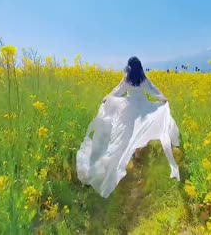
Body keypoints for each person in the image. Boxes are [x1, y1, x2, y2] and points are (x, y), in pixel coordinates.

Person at [76, 56, 181, 198]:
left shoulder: (127, 78)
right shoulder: (143, 78)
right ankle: (135, 157)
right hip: (142, 107)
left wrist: (108, 97)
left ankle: (125, 159)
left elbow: (118, 90)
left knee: (126, 134)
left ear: (129, 67)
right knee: (138, 133)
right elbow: (152, 90)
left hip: (128, 108)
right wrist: (162, 99)